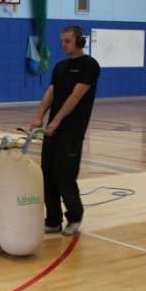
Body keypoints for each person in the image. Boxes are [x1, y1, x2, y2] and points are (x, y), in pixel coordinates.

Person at [30, 25, 100, 236]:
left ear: (80, 41)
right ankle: (53, 220)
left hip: (71, 130)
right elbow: (50, 93)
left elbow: (75, 97)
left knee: (64, 175)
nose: (63, 45)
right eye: (61, 41)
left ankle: (75, 216)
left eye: (67, 41)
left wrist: (57, 121)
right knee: (48, 175)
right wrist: (39, 117)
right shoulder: (60, 67)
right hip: (53, 130)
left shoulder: (89, 65)